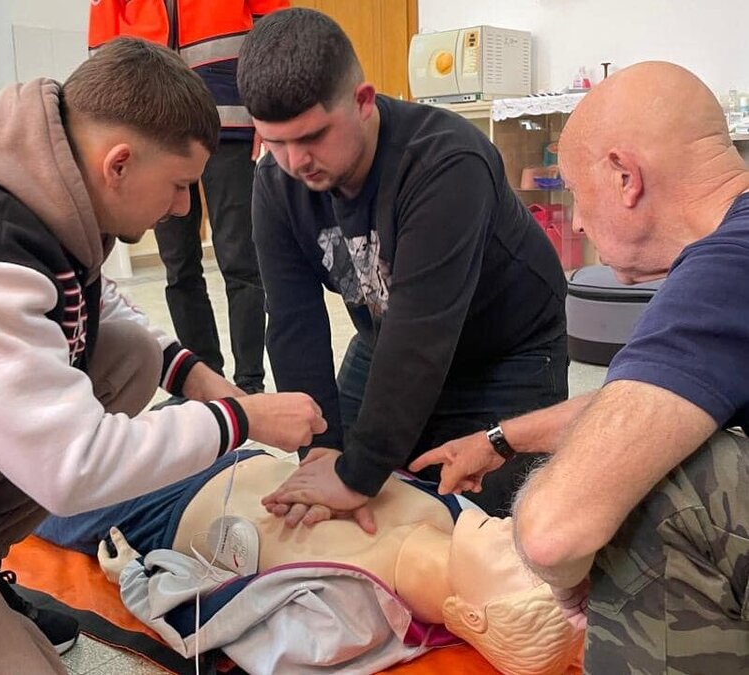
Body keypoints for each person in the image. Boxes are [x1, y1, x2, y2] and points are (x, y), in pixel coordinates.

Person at [0, 38, 326, 674]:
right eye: (180, 185)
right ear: (118, 164)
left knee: (129, 352)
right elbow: (75, 470)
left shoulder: (27, 188)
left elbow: (98, 307)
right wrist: (242, 421)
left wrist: (201, 381)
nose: (184, 208)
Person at [411, 61, 749, 673]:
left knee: (644, 490)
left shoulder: (727, 268)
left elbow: (555, 531)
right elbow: (659, 406)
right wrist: (500, 439)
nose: (579, 222)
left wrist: (568, 578)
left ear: (624, 176)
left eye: (574, 192)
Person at [235, 8, 569, 528]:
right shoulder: (277, 183)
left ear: (363, 101)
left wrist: (357, 476)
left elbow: (422, 335)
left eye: (312, 137)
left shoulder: (446, 162)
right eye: (275, 142)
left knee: (485, 529)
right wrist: (320, 448)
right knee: (340, 506)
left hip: (503, 353)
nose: (295, 162)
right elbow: (295, 322)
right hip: (386, 340)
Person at [37, 451, 583, 675]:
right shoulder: (459, 511)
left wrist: (134, 576)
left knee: (23, 488)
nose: (521, 539)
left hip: (158, 514)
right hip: (238, 454)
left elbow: (206, 624)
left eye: (518, 565)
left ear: (474, 614)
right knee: (98, 414)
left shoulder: (345, 622)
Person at [88, 0, 288, 395]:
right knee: (178, 265)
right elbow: (103, 53)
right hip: (152, 126)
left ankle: (249, 385)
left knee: (240, 260)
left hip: (230, 115)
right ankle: (204, 383)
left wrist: (269, 108)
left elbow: (275, 28)